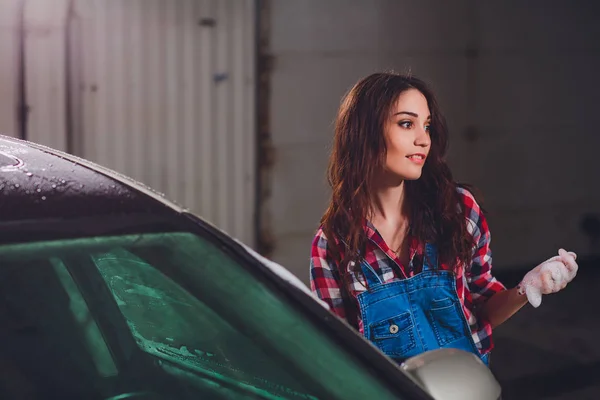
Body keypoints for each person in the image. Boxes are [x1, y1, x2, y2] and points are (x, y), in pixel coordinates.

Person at [309, 72, 578, 366]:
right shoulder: (333, 242)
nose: (423, 139)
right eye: (406, 124)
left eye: (427, 126)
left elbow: (482, 307)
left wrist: (528, 287)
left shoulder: (458, 209)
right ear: (364, 132)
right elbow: (334, 355)